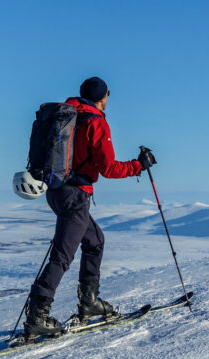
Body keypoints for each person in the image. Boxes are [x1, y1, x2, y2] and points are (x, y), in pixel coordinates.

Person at [24, 76, 156, 339]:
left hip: (57, 191)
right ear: (103, 96)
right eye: (108, 95)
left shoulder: (66, 115)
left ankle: (90, 302)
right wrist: (138, 166)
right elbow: (108, 168)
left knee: (95, 240)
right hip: (75, 196)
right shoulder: (95, 122)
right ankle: (37, 316)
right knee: (62, 256)